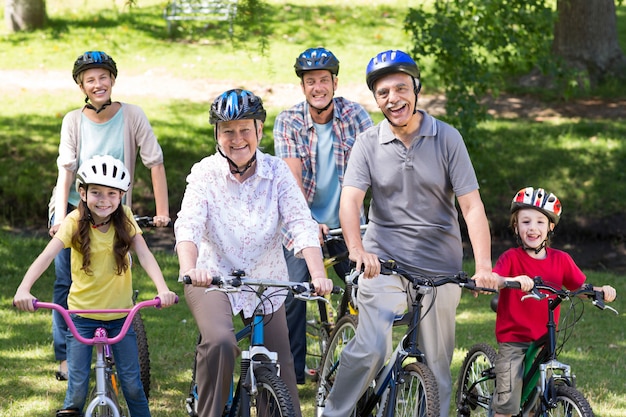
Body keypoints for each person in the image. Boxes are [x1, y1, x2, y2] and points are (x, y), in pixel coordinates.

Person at [321, 49, 498, 417]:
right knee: (372, 347)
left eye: (400, 88)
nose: (393, 99)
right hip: (382, 262)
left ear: (416, 89)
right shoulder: (368, 143)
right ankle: (334, 411)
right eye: (383, 93)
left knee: (436, 364)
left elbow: (472, 208)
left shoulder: (448, 139)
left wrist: (483, 266)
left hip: (440, 268)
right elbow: (350, 203)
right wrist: (357, 249)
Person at [175, 88, 334, 417]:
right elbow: (188, 223)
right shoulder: (205, 173)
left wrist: (318, 273)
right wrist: (190, 268)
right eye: (227, 131)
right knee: (220, 342)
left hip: (266, 279)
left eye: (245, 129)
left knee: (282, 375)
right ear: (216, 135)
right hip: (213, 277)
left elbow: (301, 223)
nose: (237, 139)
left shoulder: (277, 173)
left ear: (260, 130)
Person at [13, 155, 177, 417]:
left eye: (112, 194)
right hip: (81, 317)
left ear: (122, 195)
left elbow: (145, 255)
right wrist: (24, 288)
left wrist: (162, 288)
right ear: (82, 192)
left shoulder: (125, 218)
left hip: (121, 316)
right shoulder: (73, 222)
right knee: (76, 391)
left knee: (133, 387)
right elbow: (45, 257)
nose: (104, 200)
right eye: (97, 192)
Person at [48, 50, 171, 381]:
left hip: (116, 209)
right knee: (66, 278)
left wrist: (162, 213)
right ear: (81, 86)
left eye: (103, 77)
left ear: (113, 80)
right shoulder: (73, 120)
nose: (98, 84)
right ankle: (66, 354)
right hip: (74, 206)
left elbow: (154, 162)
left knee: (118, 273)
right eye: (90, 80)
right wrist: (61, 217)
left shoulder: (132, 115)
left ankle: (117, 341)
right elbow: (65, 172)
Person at [273, 46, 374, 383]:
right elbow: (292, 181)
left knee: (366, 291)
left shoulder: (355, 115)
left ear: (335, 82)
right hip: (302, 225)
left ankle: (360, 368)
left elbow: (370, 170)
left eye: (324, 80)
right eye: (311, 81)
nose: (318, 87)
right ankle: (293, 373)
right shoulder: (289, 121)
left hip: (350, 224)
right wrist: (308, 223)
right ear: (303, 86)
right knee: (293, 292)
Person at [490, 187, 617, 417]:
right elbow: (496, 279)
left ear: (550, 227)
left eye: (540, 221)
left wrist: (601, 291)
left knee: (538, 398)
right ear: (516, 226)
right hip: (514, 338)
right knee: (508, 402)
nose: (532, 227)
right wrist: (512, 280)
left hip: (544, 339)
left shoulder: (561, 260)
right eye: (525, 221)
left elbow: (579, 287)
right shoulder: (511, 258)